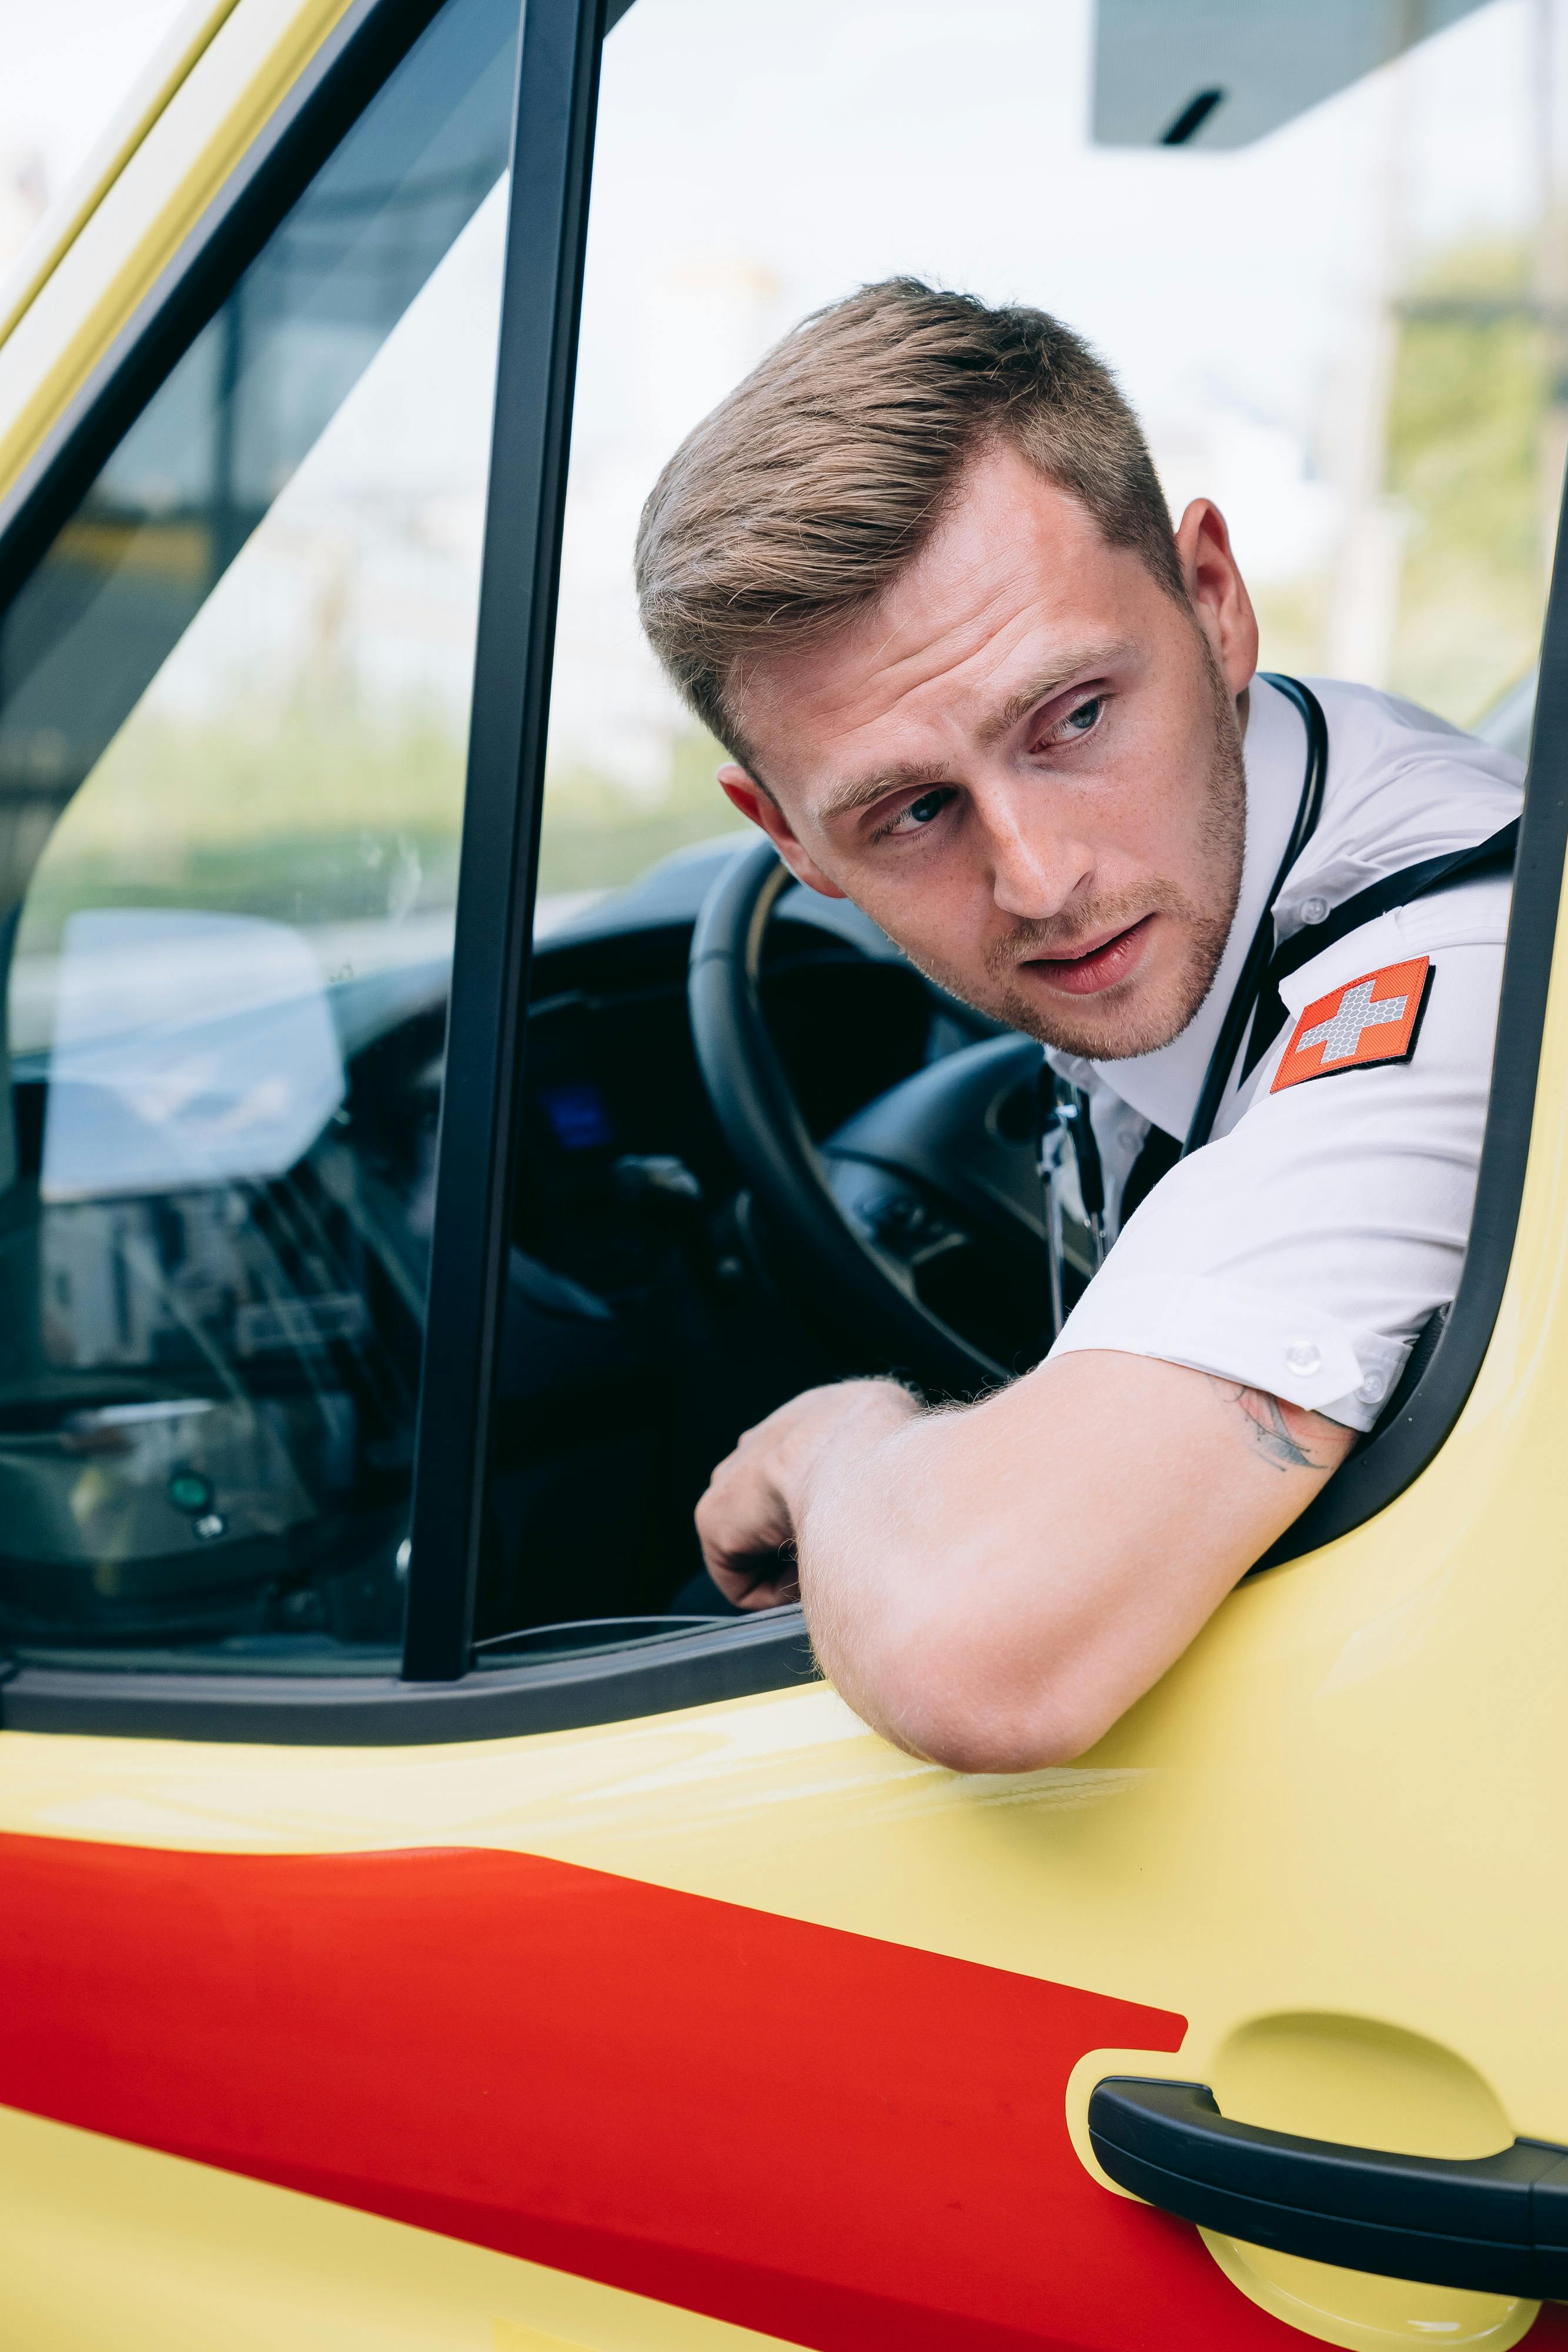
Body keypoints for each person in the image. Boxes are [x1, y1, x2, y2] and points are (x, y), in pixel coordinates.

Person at [634, 279, 1523, 1773]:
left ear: (1213, 603)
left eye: (1075, 718)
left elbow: (979, 1645)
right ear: (785, 843)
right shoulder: (1221, 873)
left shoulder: (1455, 970)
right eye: (912, 811)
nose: (1041, 884)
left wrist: (830, 1437)